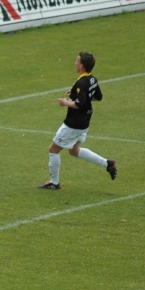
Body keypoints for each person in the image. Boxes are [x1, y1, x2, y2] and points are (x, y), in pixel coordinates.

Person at [38, 51, 117, 190]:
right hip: (85, 123)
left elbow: (79, 104)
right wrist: (74, 94)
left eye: (77, 61)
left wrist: (65, 102)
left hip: (73, 124)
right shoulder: (92, 79)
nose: (75, 63)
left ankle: (54, 182)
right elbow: (97, 97)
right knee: (74, 151)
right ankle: (107, 164)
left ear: (81, 66)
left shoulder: (81, 82)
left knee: (53, 149)